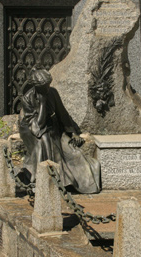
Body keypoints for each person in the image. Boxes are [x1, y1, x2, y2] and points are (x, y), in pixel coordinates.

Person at [19, 66, 101, 194]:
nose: (47, 89)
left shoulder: (53, 92)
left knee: (74, 153)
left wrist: (73, 133)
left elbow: (62, 113)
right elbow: (37, 127)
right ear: (36, 87)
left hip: (52, 128)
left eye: (48, 85)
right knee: (43, 143)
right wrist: (42, 103)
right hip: (32, 130)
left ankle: (69, 182)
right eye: (44, 87)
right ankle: (43, 181)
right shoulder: (27, 99)